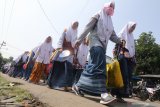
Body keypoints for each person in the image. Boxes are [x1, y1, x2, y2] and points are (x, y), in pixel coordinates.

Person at [72, 1, 121, 104]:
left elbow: (113, 36)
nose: (111, 8)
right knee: (100, 65)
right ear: (105, 6)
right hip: (94, 41)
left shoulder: (110, 23)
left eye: (113, 7)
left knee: (94, 65)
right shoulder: (97, 15)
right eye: (110, 6)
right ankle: (103, 94)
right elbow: (87, 27)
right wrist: (79, 40)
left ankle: (78, 86)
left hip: (103, 46)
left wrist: (121, 40)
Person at [47, 21, 79, 91]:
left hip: (70, 53)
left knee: (67, 68)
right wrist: (59, 47)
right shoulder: (66, 31)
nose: (75, 26)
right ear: (71, 24)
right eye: (74, 24)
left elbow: (75, 45)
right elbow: (60, 40)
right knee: (58, 67)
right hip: (63, 51)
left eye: (76, 25)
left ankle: (64, 86)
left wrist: (75, 52)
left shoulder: (76, 34)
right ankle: (53, 84)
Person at [111, 22, 136, 102]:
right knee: (122, 75)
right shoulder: (122, 34)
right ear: (128, 26)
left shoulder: (132, 37)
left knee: (128, 76)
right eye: (132, 27)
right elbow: (117, 46)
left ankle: (120, 96)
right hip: (122, 58)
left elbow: (133, 50)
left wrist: (132, 57)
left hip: (130, 60)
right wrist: (118, 54)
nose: (133, 29)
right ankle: (115, 93)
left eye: (134, 27)